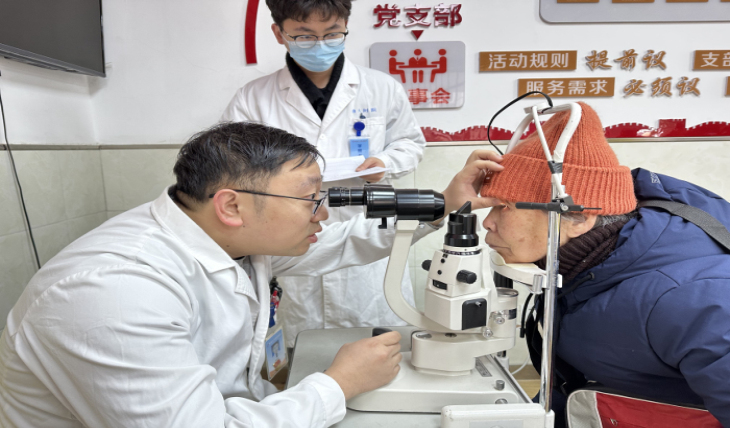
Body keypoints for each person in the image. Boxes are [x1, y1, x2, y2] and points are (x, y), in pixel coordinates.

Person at [0, 122, 502, 427]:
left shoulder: (227, 237)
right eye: (310, 199)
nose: (324, 212)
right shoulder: (114, 292)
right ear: (232, 205)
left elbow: (340, 241)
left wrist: (443, 206)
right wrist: (338, 384)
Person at [479, 102, 730, 427]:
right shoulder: (581, 271)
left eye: (503, 207)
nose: (487, 222)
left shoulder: (692, 304)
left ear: (578, 218)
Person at [221, 0, 426, 348]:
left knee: (375, 341)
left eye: (331, 34)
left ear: (345, 28)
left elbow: (410, 143)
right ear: (279, 33)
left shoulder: (381, 87)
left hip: (366, 222)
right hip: (289, 234)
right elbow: (231, 165)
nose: (320, 45)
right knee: (303, 348)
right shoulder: (253, 98)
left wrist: (385, 163)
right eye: (304, 36)